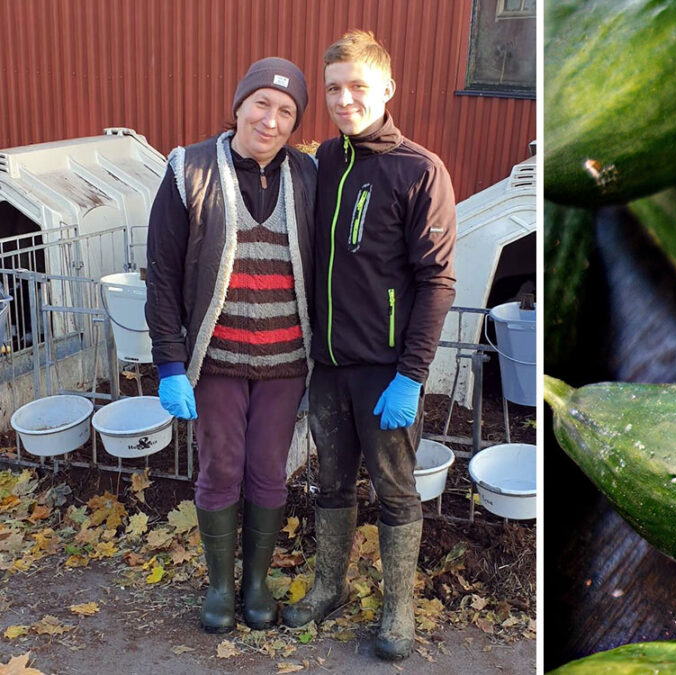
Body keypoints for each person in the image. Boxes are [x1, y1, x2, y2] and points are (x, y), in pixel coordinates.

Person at [280, 30, 456, 662]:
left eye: (358, 86)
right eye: (333, 88)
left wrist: (412, 376)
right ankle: (329, 585)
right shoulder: (323, 160)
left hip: (386, 374)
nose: (345, 98)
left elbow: (437, 281)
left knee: (395, 490)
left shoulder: (420, 171)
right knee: (330, 484)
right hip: (328, 366)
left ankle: (398, 607)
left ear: (387, 89)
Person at [144, 57, 317, 634]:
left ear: (295, 125)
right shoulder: (187, 170)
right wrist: (169, 361)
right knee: (221, 469)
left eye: (286, 111)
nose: (270, 120)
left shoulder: (309, 176)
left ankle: (257, 583)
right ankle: (220, 586)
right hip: (213, 361)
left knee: (269, 471)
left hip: (286, 362)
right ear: (240, 104)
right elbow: (163, 272)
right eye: (261, 104)